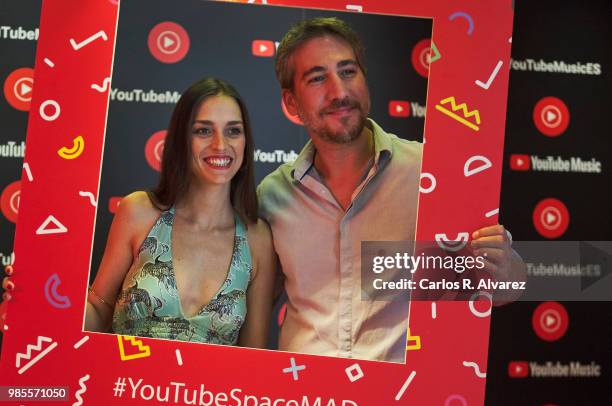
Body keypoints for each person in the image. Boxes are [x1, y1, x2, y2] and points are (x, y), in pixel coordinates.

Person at [257, 17, 525, 362]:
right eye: (318, 78)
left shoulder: (434, 174)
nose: (339, 92)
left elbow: (502, 287)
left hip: (402, 393)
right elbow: (252, 299)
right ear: (291, 103)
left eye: (348, 71)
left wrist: (507, 270)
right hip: (307, 393)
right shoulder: (273, 195)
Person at [3, 78, 276, 347]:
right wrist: (38, 301)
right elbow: (99, 308)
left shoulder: (258, 239)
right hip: (123, 387)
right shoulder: (139, 212)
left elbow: (254, 357)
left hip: (207, 393)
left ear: (245, 141)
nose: (220, 144)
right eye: (203, 131)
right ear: (182, 139)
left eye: (233, 131)